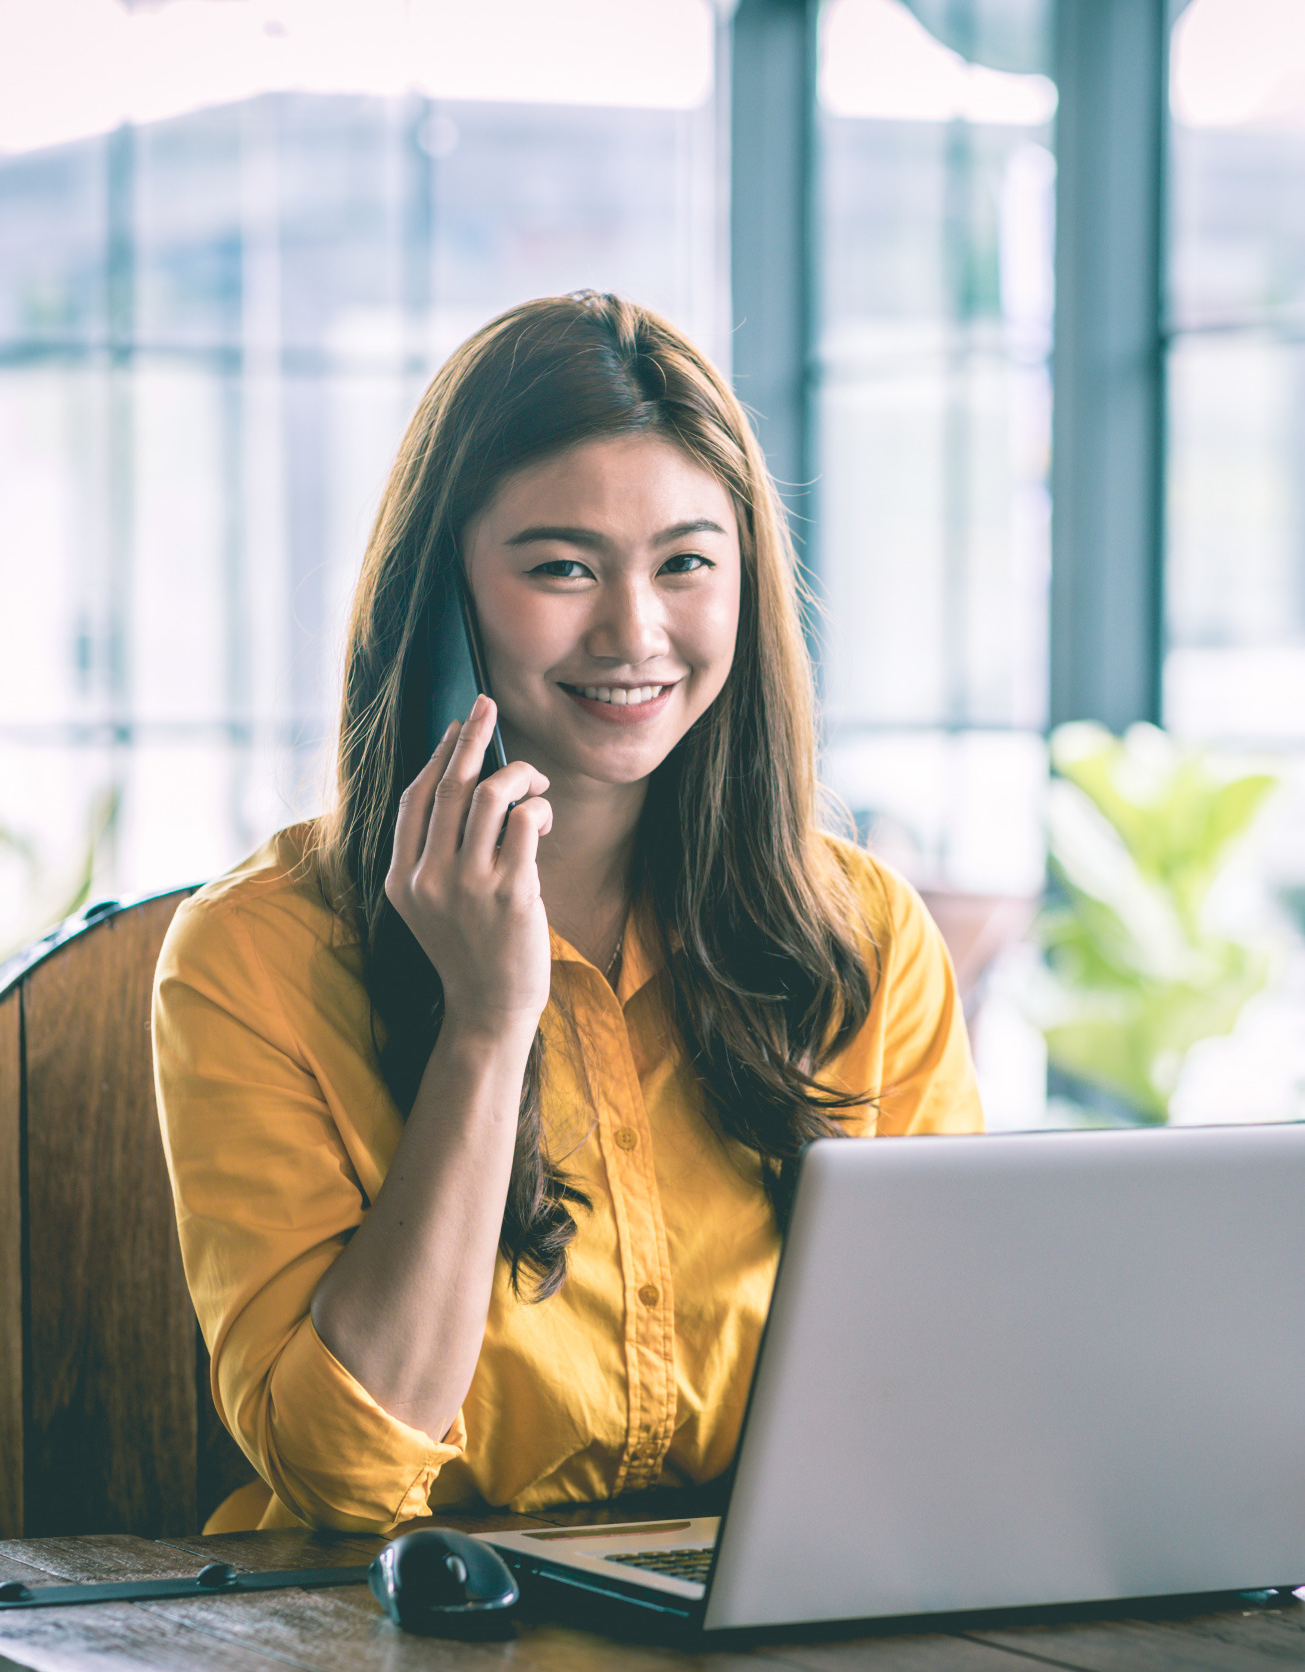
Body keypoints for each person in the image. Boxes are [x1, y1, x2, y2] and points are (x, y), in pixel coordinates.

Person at [153, 291, 985, 1534]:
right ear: (444, 598)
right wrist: (487, 1026)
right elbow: (346, 1473)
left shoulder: (858, 933)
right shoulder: (252, 956)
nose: (634, 632)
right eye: (561, 568)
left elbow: (957, 1385)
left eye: (687, 563)